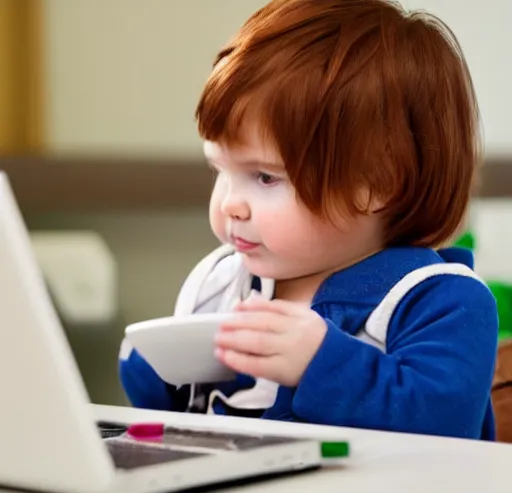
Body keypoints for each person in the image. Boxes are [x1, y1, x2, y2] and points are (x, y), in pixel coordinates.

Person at [119, 0, 499, 440]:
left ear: (378, 185)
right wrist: (150, 363)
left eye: (264, 177)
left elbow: (445, 425)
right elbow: (171, 419)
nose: (229, 204)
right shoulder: (220, 283)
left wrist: (321, 362)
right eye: (219, 170)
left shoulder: (440, 301)